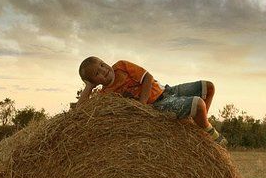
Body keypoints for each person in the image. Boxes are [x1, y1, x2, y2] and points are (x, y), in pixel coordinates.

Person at [76, 56, 226, 146]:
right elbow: (80, 110)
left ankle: (197, 129)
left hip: (166, 91)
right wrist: (89, 86)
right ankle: (207, 132)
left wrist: (141, 105)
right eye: (97, 73)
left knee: (208, 87)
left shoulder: (121, 66)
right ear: (95, 81)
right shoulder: (105, 95)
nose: (103, 70)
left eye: (102, 64)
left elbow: (147, 78)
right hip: (158, 106)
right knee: (198, 104)